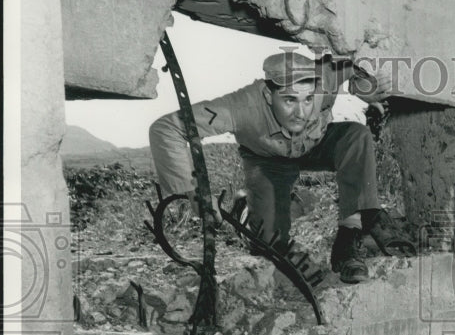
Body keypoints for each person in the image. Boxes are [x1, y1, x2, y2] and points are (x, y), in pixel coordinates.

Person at [149, 50, 414, 284]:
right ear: (268, 94)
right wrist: (194, 194)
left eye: (308, 99)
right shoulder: (241, 106)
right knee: (269, 242)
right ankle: (245, 211)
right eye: (289, 100)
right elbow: (166, 129)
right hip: (268, 160)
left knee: (356, 136)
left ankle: (349, 237)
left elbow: (360, 62)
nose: (301, 112)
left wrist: (369, 86)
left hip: (313, 146)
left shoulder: (327, 76)